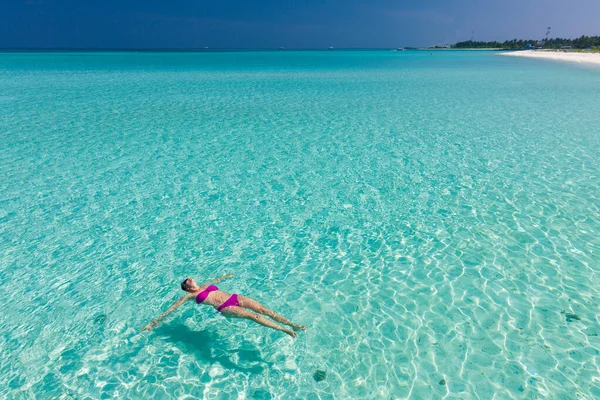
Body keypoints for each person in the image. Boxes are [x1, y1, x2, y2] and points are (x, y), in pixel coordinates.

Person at [142, 274, 306, 338]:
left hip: (235, 297)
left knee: (264, 310)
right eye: (187, 280)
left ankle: (293, 324)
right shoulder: (189, 296)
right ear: (187, 287)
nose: (190, 278)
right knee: (255, 317)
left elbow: (217, 281)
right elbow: (172, 308)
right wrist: (154, 322)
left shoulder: (206, 284)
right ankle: (285, 330)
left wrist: (226, 276)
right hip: (225, 307)